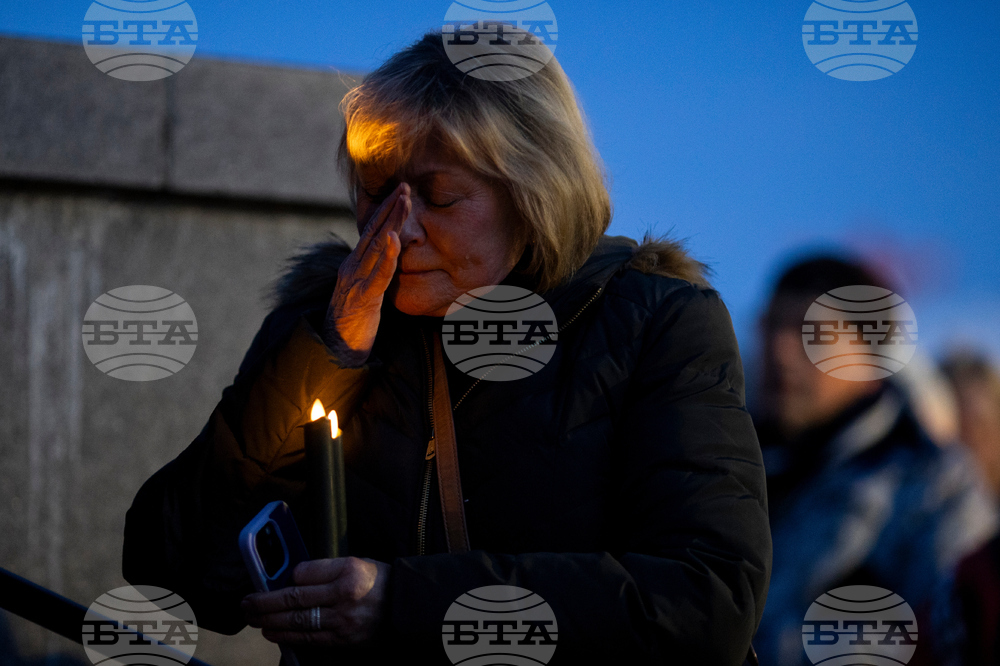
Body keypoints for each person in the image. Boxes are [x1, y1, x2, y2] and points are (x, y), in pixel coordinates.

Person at [122, 32, 771, 665]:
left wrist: (404, 605)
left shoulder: (656, 323)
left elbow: (707, 602)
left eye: (438, 197)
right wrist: (327, 352)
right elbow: (172, 569)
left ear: (534, 194)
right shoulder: (331, 323)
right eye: (377, 191)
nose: (397, 228)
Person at [751, 256, 996, 666]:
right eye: (771, 326)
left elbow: (954, 638)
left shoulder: (933, 487)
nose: (781, 350)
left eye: (811, 332)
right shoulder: (724, 473)